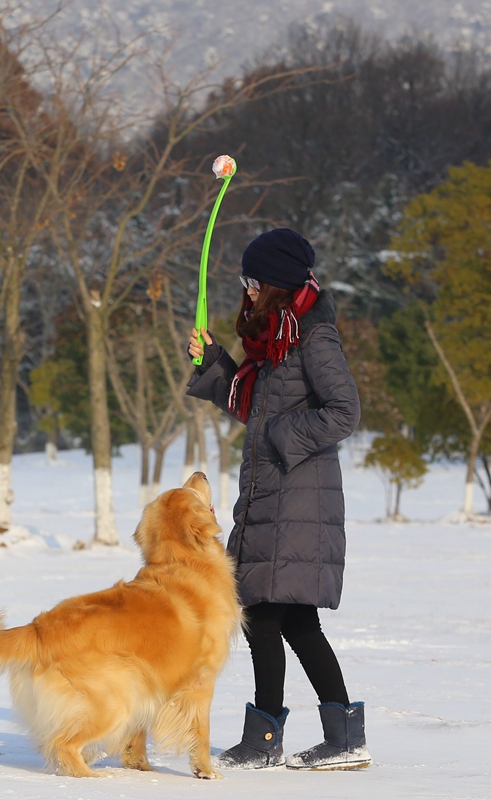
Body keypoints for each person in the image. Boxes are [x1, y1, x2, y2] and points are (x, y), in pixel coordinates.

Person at [186, 227, 371, 771]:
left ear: (276, 284)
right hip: (272, 495)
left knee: (286, 619)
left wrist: (280, 438)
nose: (246, 290)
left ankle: (335, 740)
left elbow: (344, 412)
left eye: (252, 281)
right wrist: (214, 360)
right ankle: (276, 739)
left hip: (300, 499)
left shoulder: (314, 337)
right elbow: (251, 407)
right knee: (265, 615)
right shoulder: (276, 340)